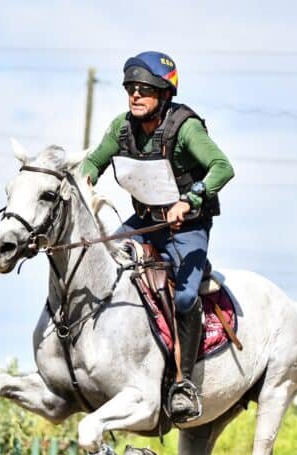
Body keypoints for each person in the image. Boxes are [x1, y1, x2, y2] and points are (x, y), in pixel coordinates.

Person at [81, 51, 235, 424]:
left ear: (164, 94)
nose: (135, 96)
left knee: (183, 297)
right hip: (145, 221)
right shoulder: (122, 128)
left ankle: (183, 382)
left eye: (144, 90)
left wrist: (190, 200)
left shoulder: (185, 129)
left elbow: (223, 168)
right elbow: (94, 162)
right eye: (131, 89)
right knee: (104, 262)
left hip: (188, 226)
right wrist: (83, 180)